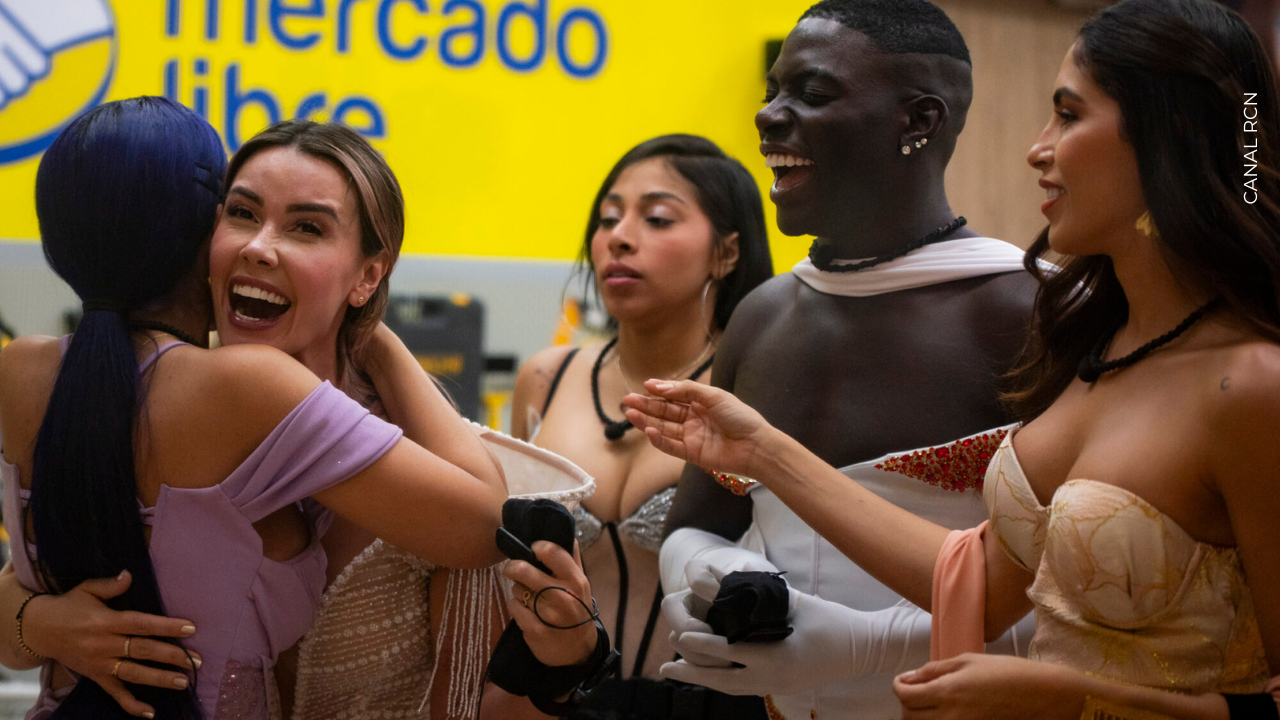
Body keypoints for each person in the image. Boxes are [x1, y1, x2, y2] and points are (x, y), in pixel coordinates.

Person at [628, 0, 1280, 718]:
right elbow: (975, 577)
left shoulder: (1250, 382)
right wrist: (764, 454)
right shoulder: (1104, 347)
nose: (1037, 148)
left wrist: (1076, 700)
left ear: (1170, 140)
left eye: (1067, 115)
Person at [0, 102, 598, 720]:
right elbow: (485, 524)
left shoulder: (28, 368)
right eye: (240, 213)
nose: (260, 247)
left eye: (307, 228)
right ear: (199, 239)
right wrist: (35, 621)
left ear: (369, 273)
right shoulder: (217, 388)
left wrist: (564, 665)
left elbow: (475, 693)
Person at [652, 1, 1040, 718]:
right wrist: (721, 574)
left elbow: (1075, 586)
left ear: (918, 121)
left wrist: (870, 643)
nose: (770, 115)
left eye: (813, 93)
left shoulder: (1022, 308)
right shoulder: (764, 315)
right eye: (772, 92)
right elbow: (697, 524)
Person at [508, 134, 773, 719]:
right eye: (607, 218)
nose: (618, 237)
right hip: (556, 705)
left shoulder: (760, 388)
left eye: (657, 218)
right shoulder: (545, 377)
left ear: (726, 253)